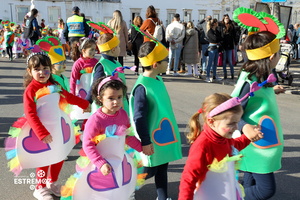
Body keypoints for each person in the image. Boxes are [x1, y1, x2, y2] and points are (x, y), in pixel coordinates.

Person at [4, 51, 89, 200]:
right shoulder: (31, 90)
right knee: (44, 159)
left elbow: (68, 97)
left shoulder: (54, 85)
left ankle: (52, 182)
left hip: (57, 129)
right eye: (37, 69)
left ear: (50, 69)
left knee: (59, 156)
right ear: (30, 71)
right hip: (41, 132)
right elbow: (30, 114)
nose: (42, 72)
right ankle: (39, 187)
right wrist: (41, 133)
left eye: (45, 68)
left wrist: (84, 104)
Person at [231, 7, 286, 200]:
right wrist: (244, 126)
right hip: (256, 144)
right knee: (265, 190)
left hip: (260, 144)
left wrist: (272, 89)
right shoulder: (249, 81)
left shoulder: (260, 77)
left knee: (251, 181)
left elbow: (256, 96)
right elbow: (232, 109)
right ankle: (232, 195)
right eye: (278, 54)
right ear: (272, 57)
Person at [60, 74, 143, 200]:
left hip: (117, 158)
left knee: (118, 184)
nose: (116, 101)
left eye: (119, 97)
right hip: (98, 163)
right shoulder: (95, 120)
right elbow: (88, 144)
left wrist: (142, 147)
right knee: (98, 191)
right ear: (100, 99)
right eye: (111, 98)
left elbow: (127, 136)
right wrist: (100, 163)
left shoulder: (123, 114)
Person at [179, 93, 263, 199]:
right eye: (231, 123)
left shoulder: (223, 138)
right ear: (211, 122)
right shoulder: (203, 145)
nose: (236, 127)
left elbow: (235, 146)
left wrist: (248, 137)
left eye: (237, 122)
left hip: (227, 192)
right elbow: (189, 177)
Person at [129, 40, 182, 200]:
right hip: (151, 138)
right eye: (165, 60)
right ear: (154, 64)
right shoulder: (142, 87)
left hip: (162, 136)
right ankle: (123, 187)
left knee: (162, 166)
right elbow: (138, 117)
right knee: (149, 170)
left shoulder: (157, 80)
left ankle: (163, 196)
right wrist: (145, 141)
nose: (168, 62)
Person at [85, 21, 130, 114]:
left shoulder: (116, 63)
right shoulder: (102, 65)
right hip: (106, 109)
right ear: (113, 49)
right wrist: (87, 102)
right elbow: (94, 86)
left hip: (119, 104)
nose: (119, 48)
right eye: (118, 46)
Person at [69, 38, 98, 121]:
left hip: (92, 90)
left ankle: (88, 126)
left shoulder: (96, 62)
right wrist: (72, 94)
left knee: (92, 111)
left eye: (95, 50)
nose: (94, 52)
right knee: (82, 111)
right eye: (91, 50)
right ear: (84, 50)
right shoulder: (78, 63)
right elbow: (73, 80)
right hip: (81, 91)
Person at [205, 18, 222, 82]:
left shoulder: (216, 31)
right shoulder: (210, 31)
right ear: (214, 24)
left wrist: (218, 38)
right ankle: (207, 76)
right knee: (210, 62)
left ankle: (214, 76)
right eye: (216, 23)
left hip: (216, 46)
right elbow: (214, 39)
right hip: (212, 46)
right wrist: (218, 38)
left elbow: (220, 38)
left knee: (215, 63)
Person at [219, 14, 236, 79]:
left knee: (230, 60)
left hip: (229, 45)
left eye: (227, 18)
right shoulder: (221, 26)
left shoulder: (231, 26)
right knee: (224, 60)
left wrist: (235, 42)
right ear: (223, 19)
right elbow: (220, 34)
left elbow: (234, 35)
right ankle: (225, 74)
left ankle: (232, 73)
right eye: (225, 18)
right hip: (223, 45)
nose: (227, 19)